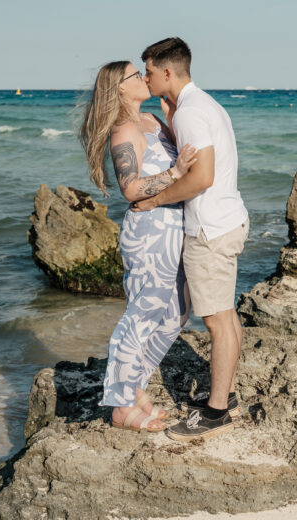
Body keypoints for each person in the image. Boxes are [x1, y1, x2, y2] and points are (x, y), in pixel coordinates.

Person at [132, 37, 249, 442]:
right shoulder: (201, 105)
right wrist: (172, 118)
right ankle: (226, 396)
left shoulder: (191, 113)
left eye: (149, 71)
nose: (145, 78)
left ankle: (215, 413)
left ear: (167, 71)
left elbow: (202, 178)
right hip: (227, 220)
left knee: (217, 322)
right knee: (226, 316)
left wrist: (154, 200)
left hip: (209, 230)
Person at [79, 60, 197, 432]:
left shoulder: (151, 120)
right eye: (136, 75)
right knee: (142, 315)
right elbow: (130, 188)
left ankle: (133, 388)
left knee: (177, 314)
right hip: (148, 232)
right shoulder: (123, 129)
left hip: (174, 227)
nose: (144, 78)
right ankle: (120, 404)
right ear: (119, 88)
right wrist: (175, 173)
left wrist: (173, 115)